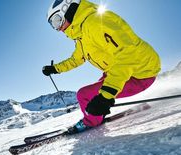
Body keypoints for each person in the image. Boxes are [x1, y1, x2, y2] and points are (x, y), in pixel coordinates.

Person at [42, 0, 161, 134]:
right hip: (127, 69)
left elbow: (127, 54)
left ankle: (91, 121)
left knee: (84, 95)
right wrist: (55, 69)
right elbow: (76, 59)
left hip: (141, 72)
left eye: (57, 21)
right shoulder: (82, 35)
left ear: (68, 10)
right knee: (97, 88)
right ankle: (96, 115)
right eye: (53, 25)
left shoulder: (95, 23)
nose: (58, 28)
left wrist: (105, 97)